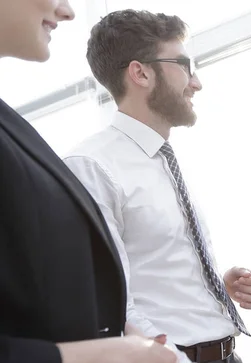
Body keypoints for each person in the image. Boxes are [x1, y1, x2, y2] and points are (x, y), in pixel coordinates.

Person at [62, 10, 251, 363]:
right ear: (140, 72)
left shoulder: (162, 157)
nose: (195, 82)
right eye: (184, 65)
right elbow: (110, 304)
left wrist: (212, 288)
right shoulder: (92, 168)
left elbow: (153, 266)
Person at [0, 1, 177, 363]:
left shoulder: (10, 125)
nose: (66, 11)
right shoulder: (92, 163)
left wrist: (117, 335)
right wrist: (106, 353)